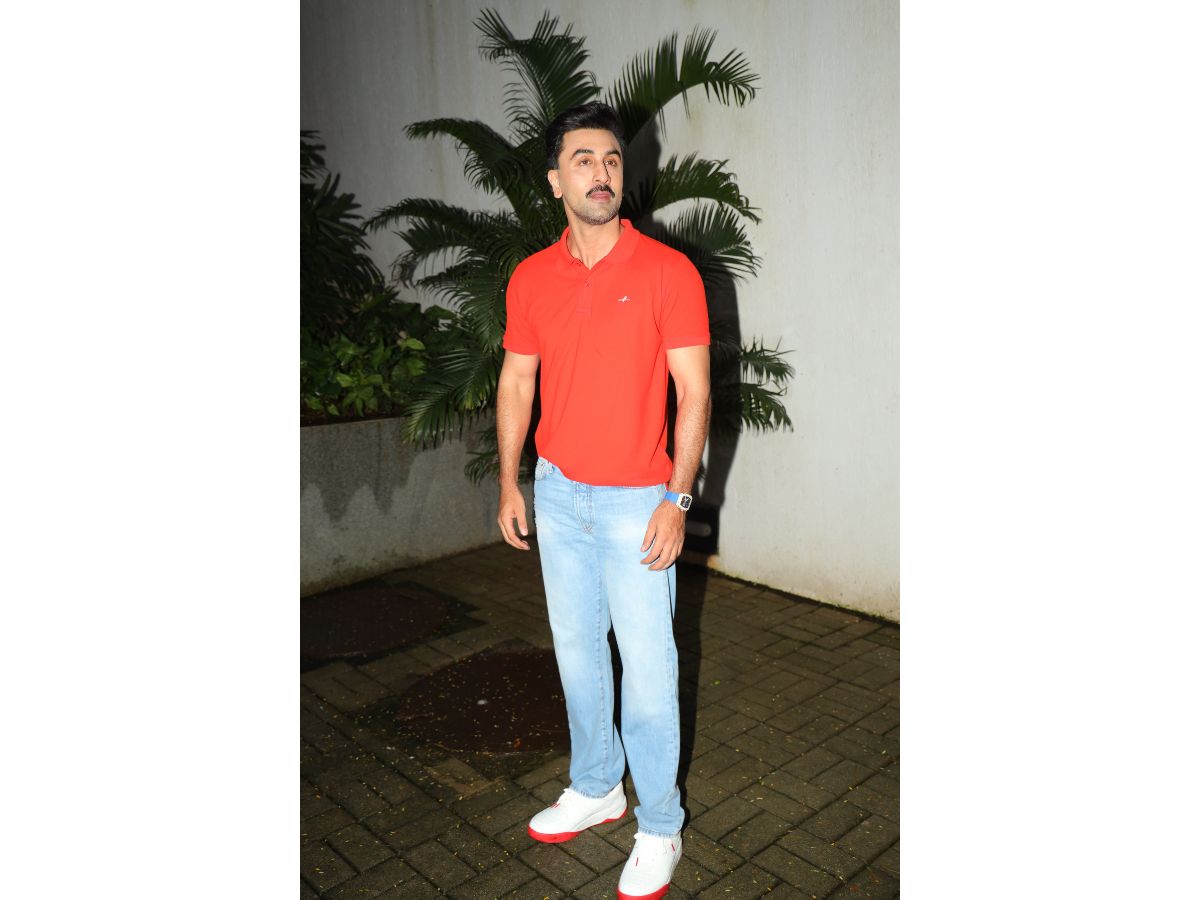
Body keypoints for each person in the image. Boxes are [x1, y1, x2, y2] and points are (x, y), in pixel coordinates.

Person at [496, 100, 711, 900]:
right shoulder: (532, 277)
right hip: (558, 495)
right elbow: (517, 381)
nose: (601, 172)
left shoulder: (668, 272)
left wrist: (677, 500)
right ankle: (596, 786)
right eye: (583, 160)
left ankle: (660, 824)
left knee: (649, 674)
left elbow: (694, 395)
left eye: (612, 160)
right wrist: (510, 479)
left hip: (637, 502)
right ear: (555, 181)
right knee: (579, 655)